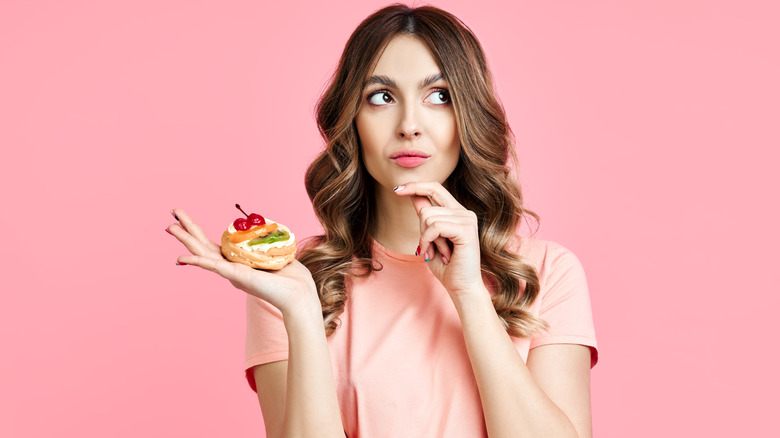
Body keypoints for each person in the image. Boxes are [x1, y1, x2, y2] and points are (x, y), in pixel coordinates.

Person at [167, 4, 597, 437]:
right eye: (381, 97)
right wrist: (301, 311)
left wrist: (470, 295)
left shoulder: (546, 274)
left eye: (440, 96)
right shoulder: (292, 281)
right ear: (351, 119)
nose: (409, 125)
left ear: (468, 114)